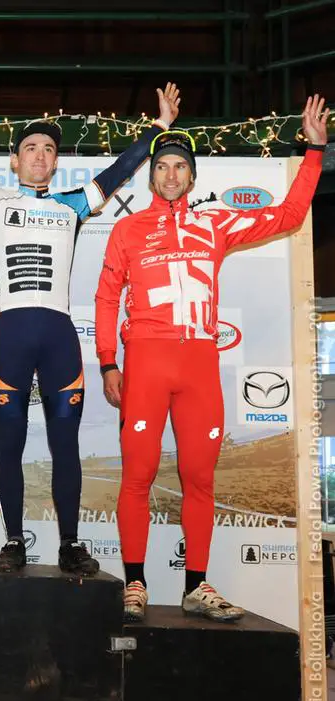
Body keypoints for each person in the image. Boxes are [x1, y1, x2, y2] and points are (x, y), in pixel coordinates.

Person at [0, 62, 180, 576]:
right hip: (12, 337)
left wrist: (158, 129)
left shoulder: (72, 205)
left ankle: (70, 543)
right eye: (30, 149)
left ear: (56, 162)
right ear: (15, 163)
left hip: (60, 336)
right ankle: (15, 541)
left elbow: (117, 173)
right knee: (11, 444)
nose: (40, 155)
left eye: (48, 149)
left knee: (66, 443)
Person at [95, 94, 329, 621]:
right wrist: (109, 361)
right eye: (162, 167)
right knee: (137, 474)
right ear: (150, 176)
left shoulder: (216, 223)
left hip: (199, 365)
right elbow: (106, 296)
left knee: (200, 480)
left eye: (180, 167)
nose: (171, 175)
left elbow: (290, 215)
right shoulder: (128, 230)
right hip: (148, 364)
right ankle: (135, 583)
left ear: (192, 177)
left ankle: (196, 586)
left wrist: (314, 151)